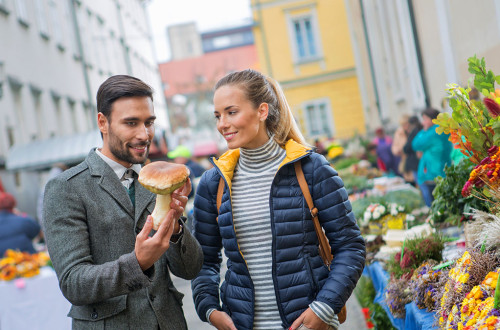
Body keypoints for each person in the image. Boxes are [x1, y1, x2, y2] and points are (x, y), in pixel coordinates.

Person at [191, 69, 365, 330]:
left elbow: (350, 247)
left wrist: (324, 307)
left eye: (231, 112)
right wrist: (210, 309)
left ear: (262, 111)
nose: (222, 124)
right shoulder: (213, 183)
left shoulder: (311, 169)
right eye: (218, 116)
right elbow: (204, 260)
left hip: (307, 324)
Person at [43, 75, 203, 330]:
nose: (144, 134)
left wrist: (175, 230)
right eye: (131, 123)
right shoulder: (66, 188)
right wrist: (137, 263)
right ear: (102, 122)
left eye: (149, 122)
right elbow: (73, 283)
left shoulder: (157, 179)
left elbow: (190, 269)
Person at [412, 108, 452, 207]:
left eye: (425, 119)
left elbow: (416, 144)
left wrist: (423, 131)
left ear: (433, 119)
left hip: (434, 172)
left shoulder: (435, 131)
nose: (423, 122)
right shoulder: (440, 129)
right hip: (437, 170)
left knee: (437, 203)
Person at [0, 192, 41, 256]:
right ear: (13, 205)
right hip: (30, 260)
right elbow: (37, 230)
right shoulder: (23, 220)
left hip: (5, 263)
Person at [402, 116, 423, 185]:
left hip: (416, 162)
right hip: (418, 161)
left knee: (422, 184)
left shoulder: (414, 132)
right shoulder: (421, 130)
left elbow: (407, 148)